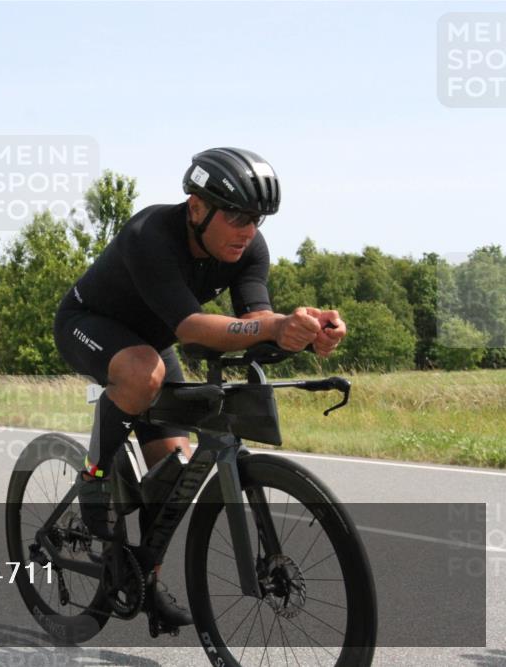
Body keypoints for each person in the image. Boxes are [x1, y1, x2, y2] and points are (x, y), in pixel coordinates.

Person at [53, 147, 347, 634]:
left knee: (172, 470)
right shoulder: (152, 234)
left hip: (150, 344)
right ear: (196, 208)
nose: (248, 229)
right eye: (236, 215)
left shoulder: (249, 249)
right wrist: (272, 326)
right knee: (142, 371)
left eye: (257, 218)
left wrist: (303, 331)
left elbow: (252, 321)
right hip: (89, 324)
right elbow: (191, 328)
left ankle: (144, 585)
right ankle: (95, 476)